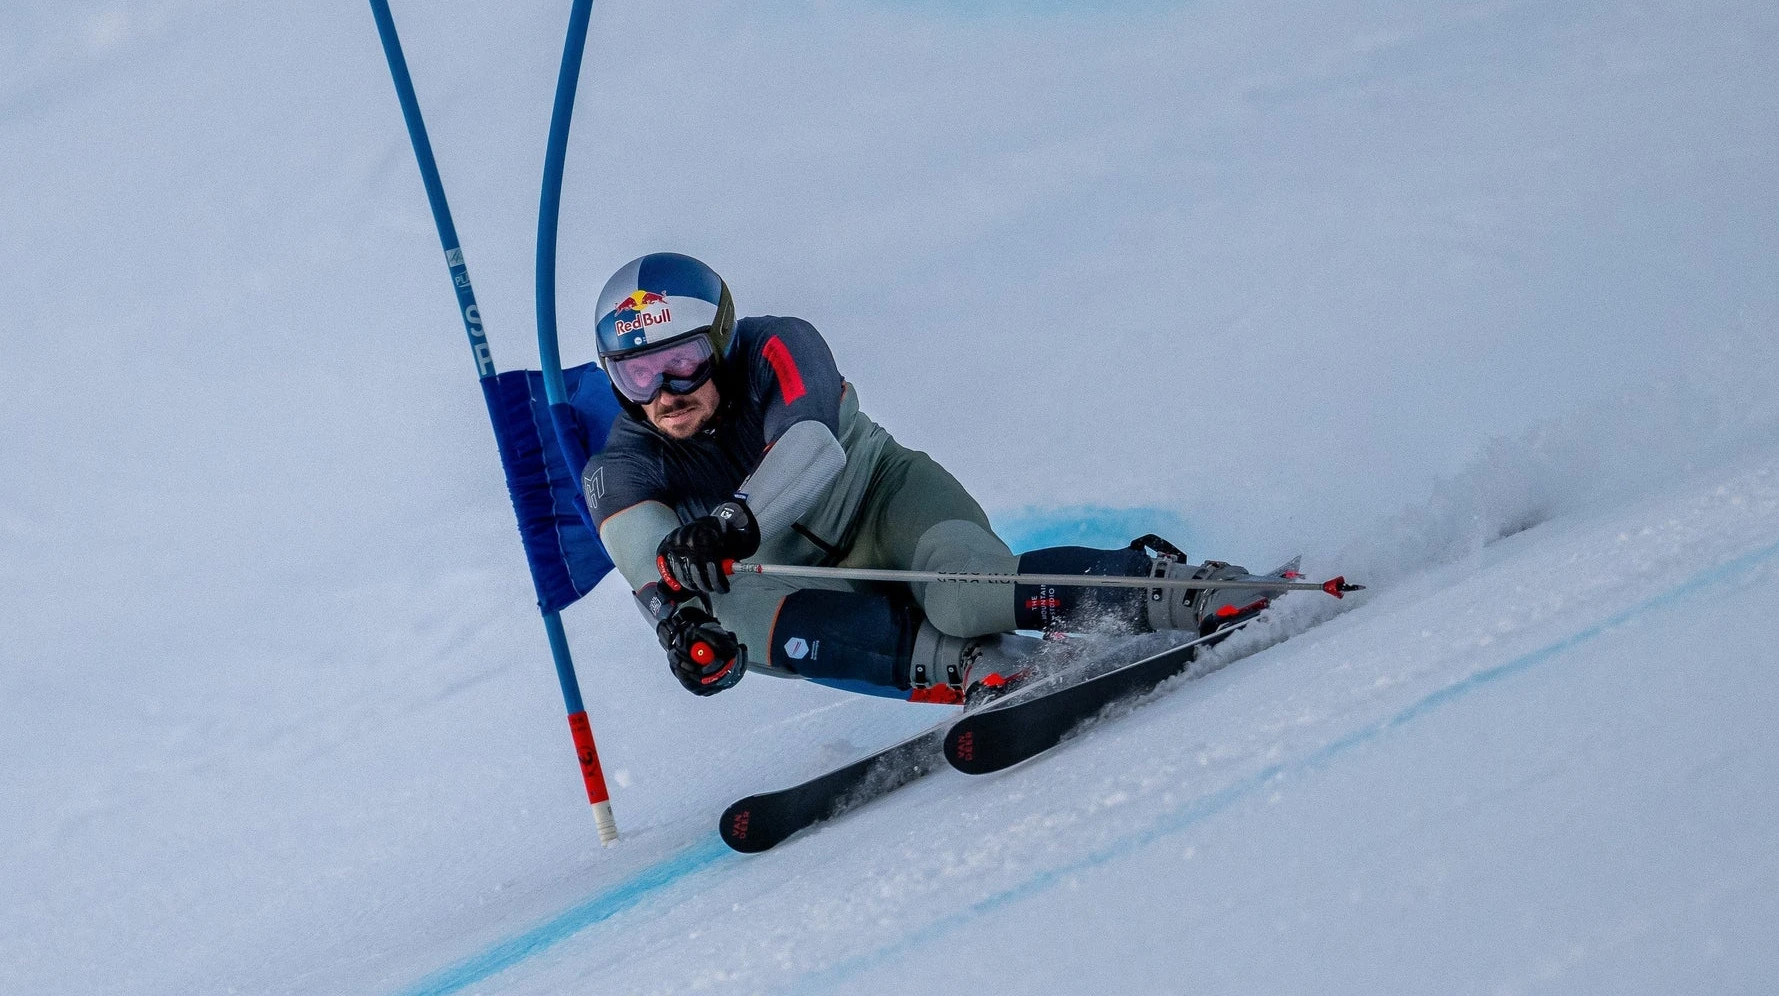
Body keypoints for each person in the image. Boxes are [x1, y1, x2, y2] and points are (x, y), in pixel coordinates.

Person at [581, 252, 1261, 701]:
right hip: (808, 582)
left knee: (962, 596)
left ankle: (1183, 591)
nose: (664, 393)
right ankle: (980, 665)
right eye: (637, 375)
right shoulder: (621, 462)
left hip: (887, 503)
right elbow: (643, 557)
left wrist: (730, 522)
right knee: (729, 613)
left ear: (724, 342)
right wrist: (681, 632)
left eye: (683, 363)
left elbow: (813, 447)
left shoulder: (777, 343)